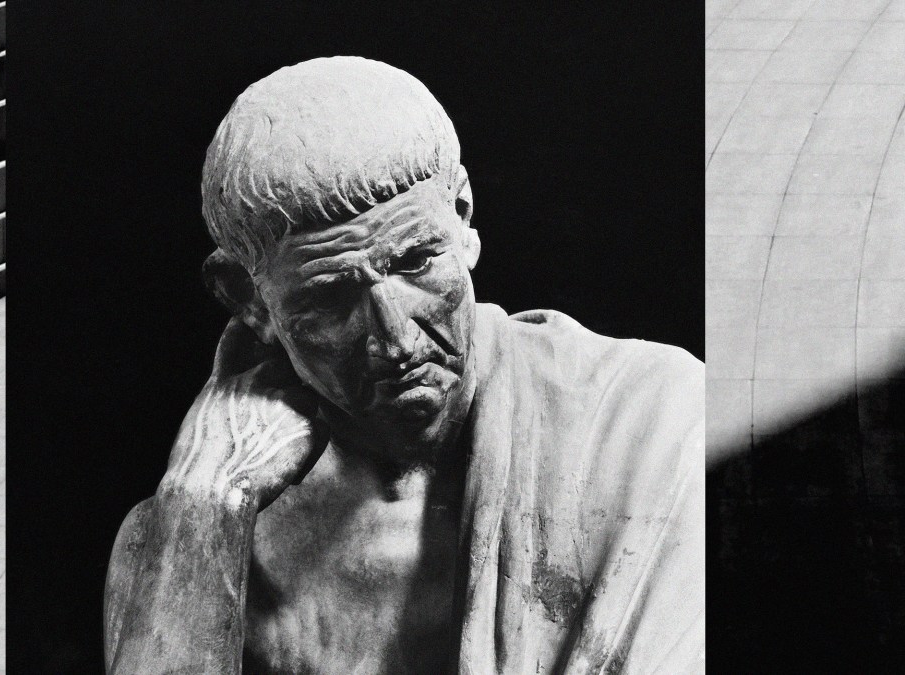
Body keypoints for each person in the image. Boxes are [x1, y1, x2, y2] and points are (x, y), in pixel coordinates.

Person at [104, 56, 703, 674]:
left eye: (417, 263)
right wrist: (206, 501)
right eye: (331, 297)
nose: (393, 340)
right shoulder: (187, 538)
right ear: (248, 300)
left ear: (463, 218)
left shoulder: (650, 422)